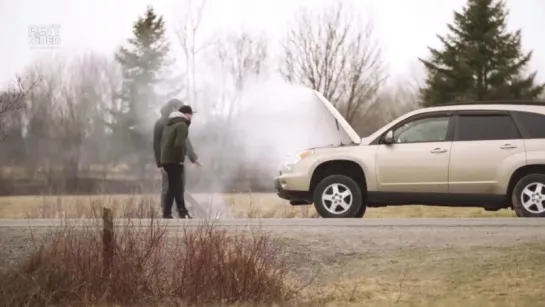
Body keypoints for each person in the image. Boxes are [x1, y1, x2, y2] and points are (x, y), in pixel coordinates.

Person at [153, 100, 202, 217]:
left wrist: (193, 157)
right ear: (173, 108)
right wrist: (159, 164)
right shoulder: (163, 123)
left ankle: (178, 211)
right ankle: (168, 212)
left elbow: (185, 141)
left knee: (178, 186)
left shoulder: (174, 122)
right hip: (171, 160)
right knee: (170, 187)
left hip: (171, 160)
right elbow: (157, 144)